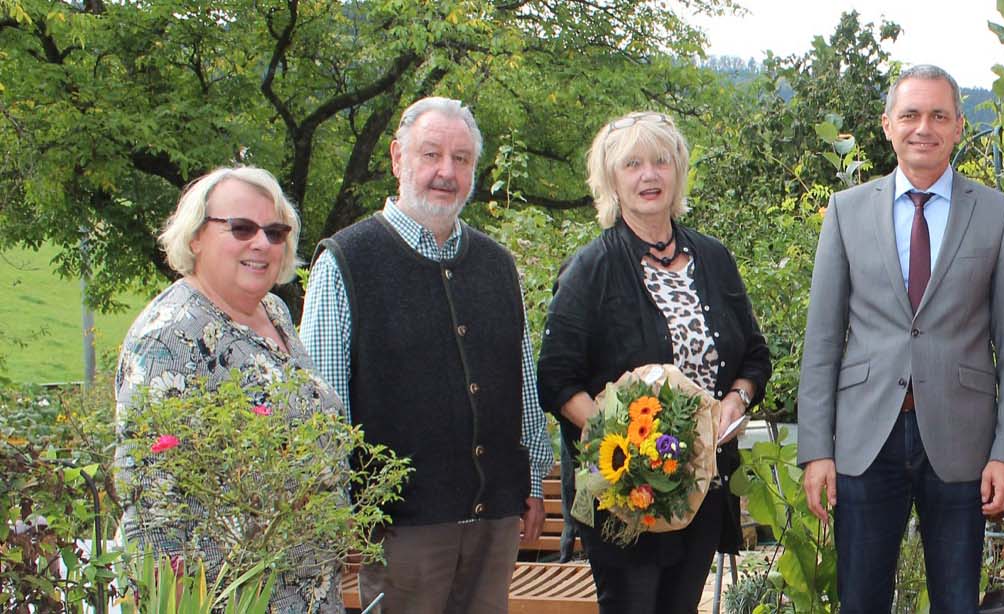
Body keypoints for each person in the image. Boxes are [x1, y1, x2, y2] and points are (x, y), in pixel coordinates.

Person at [796, 64, 1004, 613]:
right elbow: (823, 340)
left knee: (956, 601)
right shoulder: (846, 212)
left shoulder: (997, 215)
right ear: (887, 125)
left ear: (957, 127)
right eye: (910, 114)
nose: (923, 127)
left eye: (938, 115)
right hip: (864, 438)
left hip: (961, 440)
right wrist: (816, 450)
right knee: (860, 601)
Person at [299, 96, 553, 613]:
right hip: (402, 528)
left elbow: (522, 384)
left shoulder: (497, 265)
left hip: (494, 520)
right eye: (431, 154)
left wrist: (531, 480)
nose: (446, 172)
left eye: (461, 159)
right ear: (398, 158)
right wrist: (337, 509)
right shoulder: (346, 261)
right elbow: (324, 406)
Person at [536, 111, 772, 612]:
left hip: (701, 488)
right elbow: (556, 380)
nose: (649, 175)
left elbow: (754, 355)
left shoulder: (713, 259)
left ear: (678, 172)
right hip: (625, 498)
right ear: (611, 180)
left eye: (661, 161)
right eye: (633, 164)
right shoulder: (590, 269)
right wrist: (625, 448)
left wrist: (736, 399)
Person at [115, 166, 340, 612]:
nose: (261, 243)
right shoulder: (168, 337)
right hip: (233, 599)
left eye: (274, 232)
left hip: (308, 593)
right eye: (241, 228)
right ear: (196, 236)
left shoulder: (273, 312)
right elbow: (151, 504)